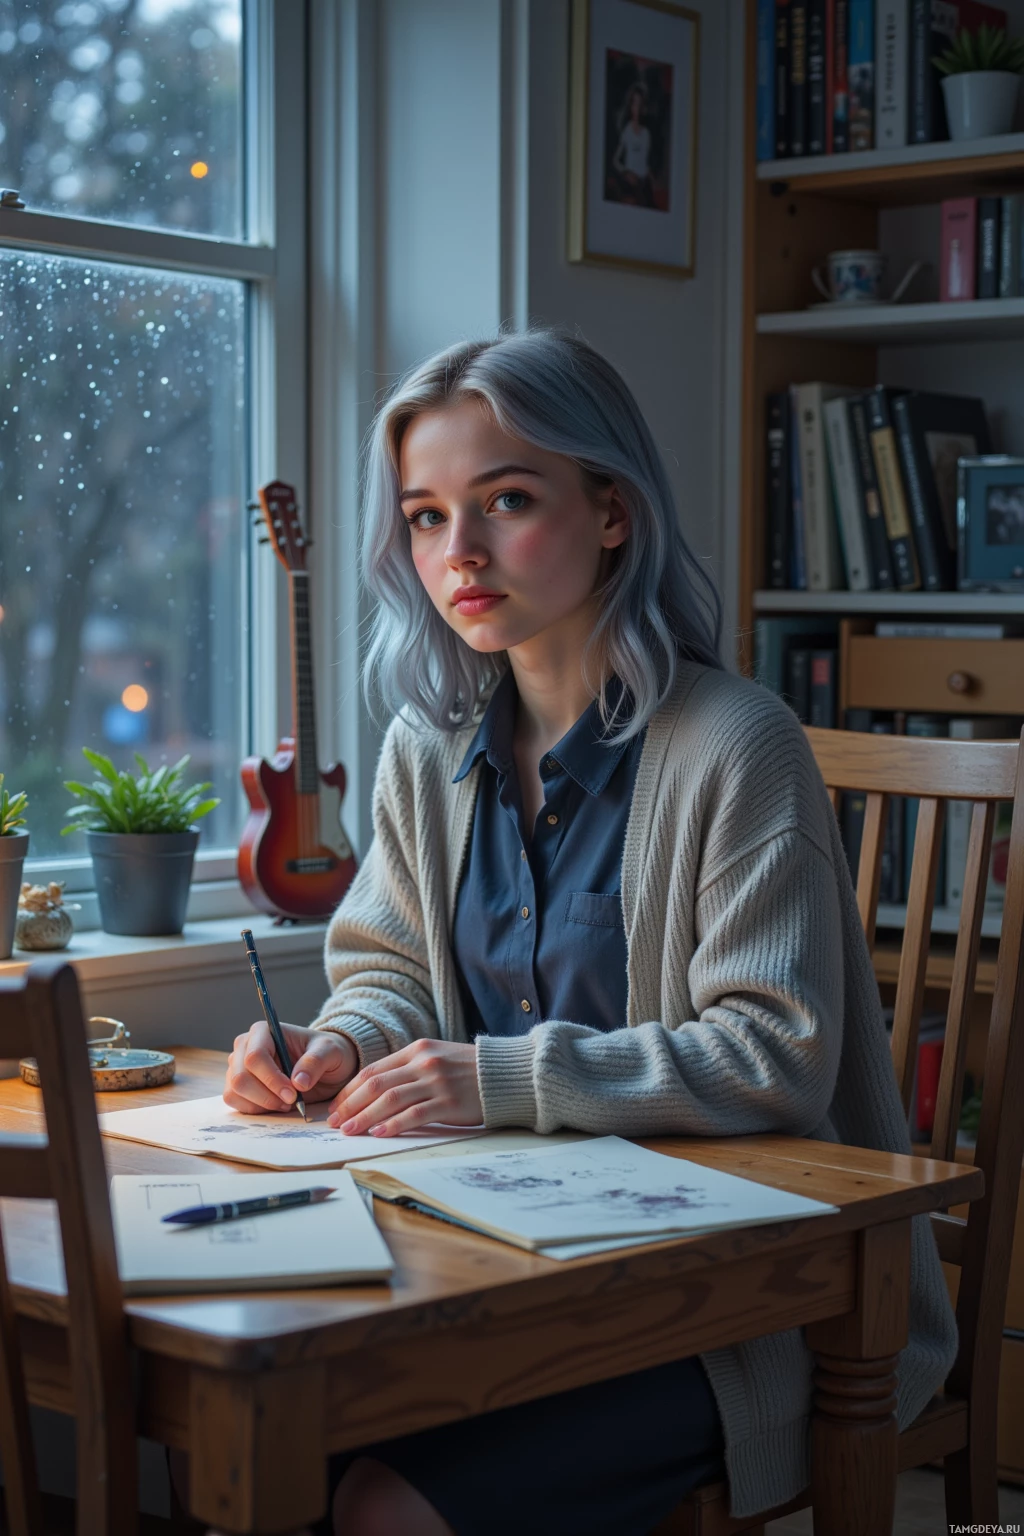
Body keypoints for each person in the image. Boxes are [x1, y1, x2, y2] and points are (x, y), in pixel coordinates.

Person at [224, 330, 958, 1536]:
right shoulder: (423, 746)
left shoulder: (737, 743)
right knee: (261, 1455)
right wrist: (346, 1046)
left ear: (612, 511)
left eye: (506, 501)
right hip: (494, 1262)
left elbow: (774, 1054)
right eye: (424, 517)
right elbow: (390, 974)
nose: (457, 553)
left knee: (382, 1507)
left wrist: (497, 1078)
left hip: (731, 1303)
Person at [610, 83, 654, 206]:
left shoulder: (646, 133)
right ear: (630, 105)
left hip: (643, 184)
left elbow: (645, 162)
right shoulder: (627, 131)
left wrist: (650, 177)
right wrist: (626, 173)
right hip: (630, 184)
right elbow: (615, 160)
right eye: (635, 103)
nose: (637, 108)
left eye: (640, 103)